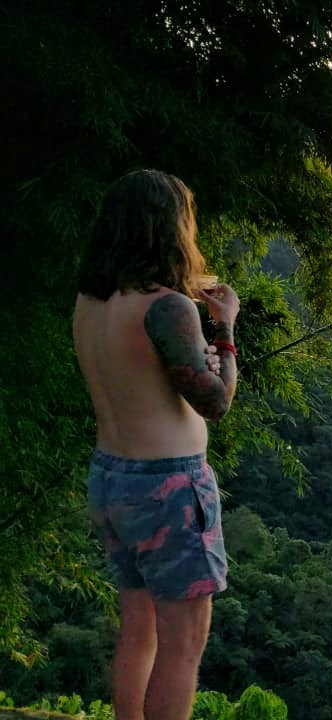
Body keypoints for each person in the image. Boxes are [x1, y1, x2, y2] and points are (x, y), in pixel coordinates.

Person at [72, 169, 239, 720]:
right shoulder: (168, 308)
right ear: (170, 228)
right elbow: (215, 402)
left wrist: (194, 358)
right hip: (167, 487)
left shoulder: (92, 304)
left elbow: (147, 377)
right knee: (182, 647)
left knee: (137, 630)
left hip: (112, 478)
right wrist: (225, 331)